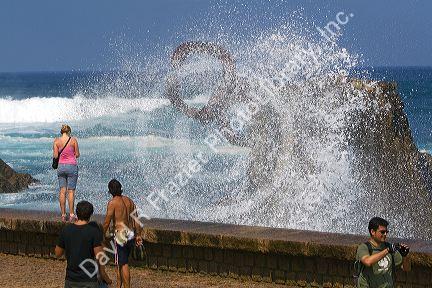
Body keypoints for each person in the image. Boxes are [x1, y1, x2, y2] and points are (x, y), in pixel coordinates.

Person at [103, 179, 143, 288]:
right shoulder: (129, 201)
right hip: (130, 233)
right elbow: (136, 220)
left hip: (121, 235)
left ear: (110, 191)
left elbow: (107, 221)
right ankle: (118, 286)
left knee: (124, 263)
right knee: (119, 263)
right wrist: (138, 235)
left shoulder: (113, 203)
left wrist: (101, 235)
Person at [55, 201, 105, 288]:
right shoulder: (93, 231)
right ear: (90, 214)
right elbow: (100, 256)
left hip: (71, 278)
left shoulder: (66, 230)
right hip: (89, 278)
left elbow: (57, 253)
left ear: (76, 213)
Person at [356, 217, 411, 288]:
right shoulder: (364, 247)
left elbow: (407, 268)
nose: (385, 234)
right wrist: (387, 250)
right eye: (382, 232)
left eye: (386, 232)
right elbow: (367, 261)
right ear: (373, 232)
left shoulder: (389, 247)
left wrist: (405, 256)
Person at [53, 124, 80, 222]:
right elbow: (77, 154)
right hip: (71, 166)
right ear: (69, 131)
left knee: (62, 190)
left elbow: (55, 156)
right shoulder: (73, 140)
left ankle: (63, 214)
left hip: (61, 167)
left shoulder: (56, 141)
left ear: (61, 132)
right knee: (71, 191)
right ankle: (72, 214)